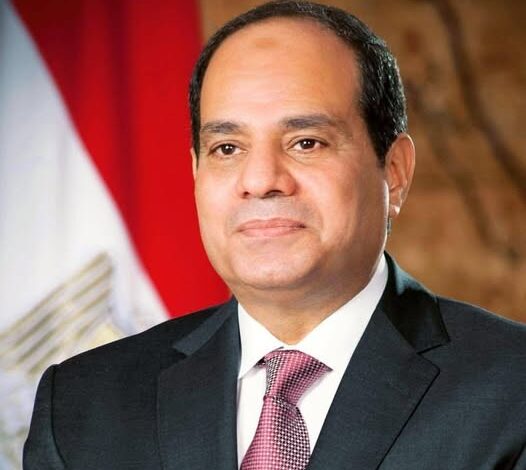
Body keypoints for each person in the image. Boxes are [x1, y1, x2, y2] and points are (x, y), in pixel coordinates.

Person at [24, 1, 526, 469]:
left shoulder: (512, 391)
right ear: (196, 172)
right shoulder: (80, 407)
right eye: (227, 148)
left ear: (393, 172)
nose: (261, 179)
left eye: (306, 142)